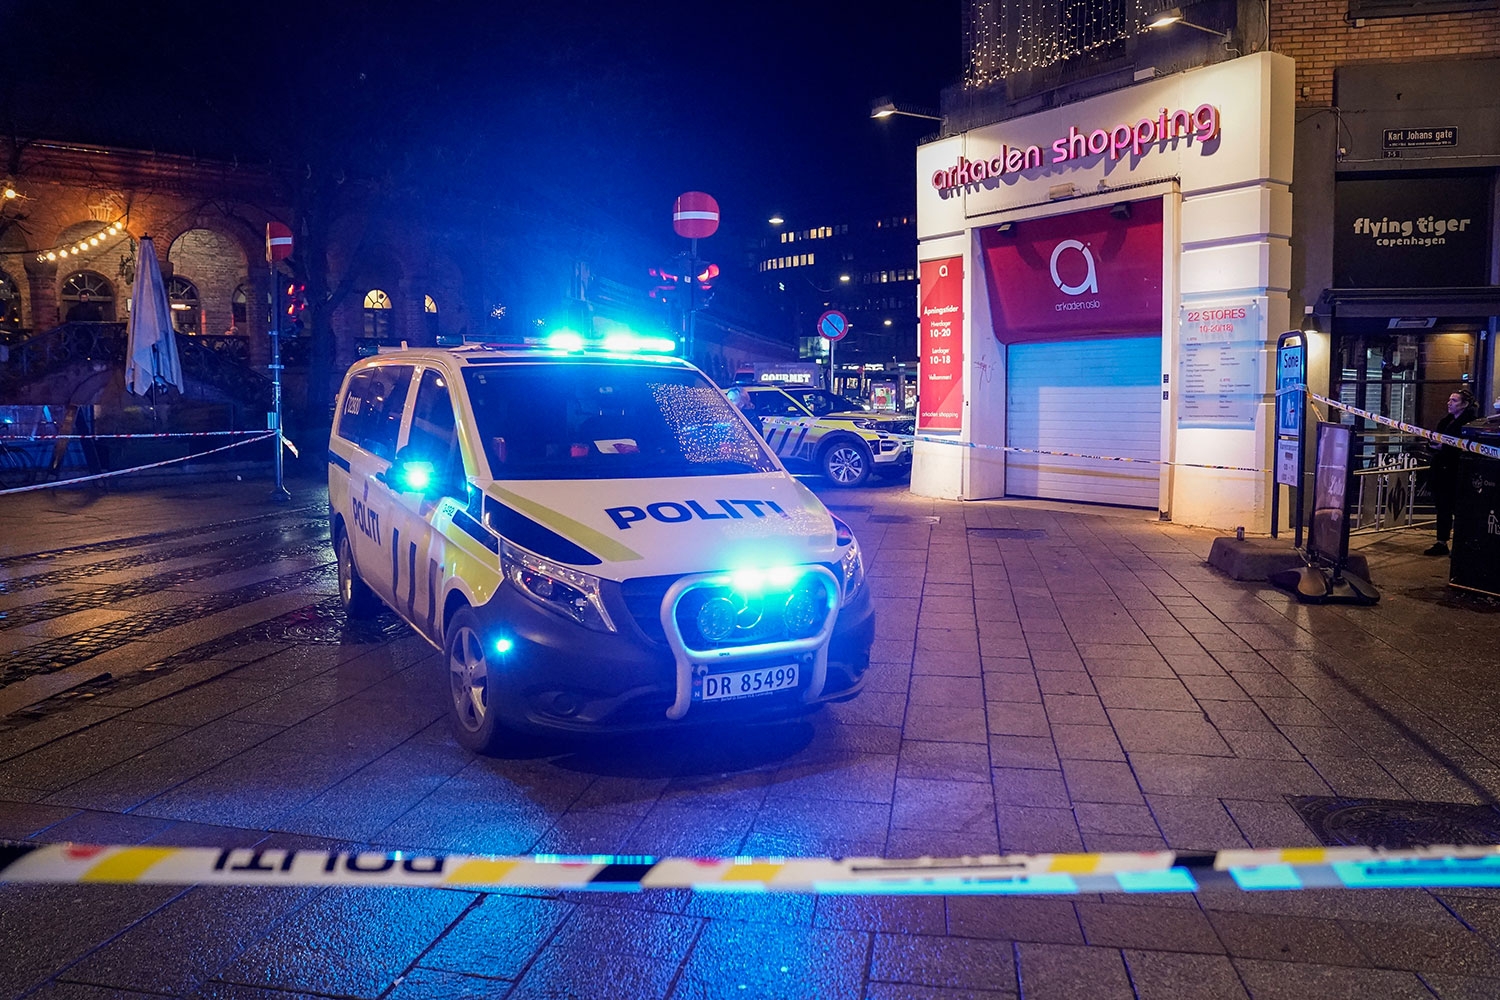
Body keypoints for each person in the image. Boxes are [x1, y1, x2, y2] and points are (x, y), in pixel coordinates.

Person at [1425, 388, 1479, 556]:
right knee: (1443, 508)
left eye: (1454, 401)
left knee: (1460, 510)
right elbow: (1437, 440)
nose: (1449, 403)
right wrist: (1433, 445)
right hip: (1441, 471)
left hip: (1457, 473)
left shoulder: (1470, 424)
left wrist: (1444, 448)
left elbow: (1467, 448)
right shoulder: (1446, 421)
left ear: (1464, 404)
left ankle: (1464, 544)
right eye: (1449, 400)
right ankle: (1442, 542)